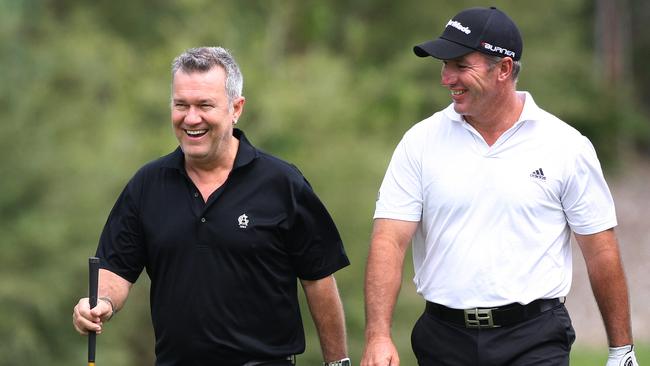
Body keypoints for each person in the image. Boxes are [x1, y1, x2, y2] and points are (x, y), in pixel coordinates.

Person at [361, 7, 638, 366]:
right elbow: (389, 240)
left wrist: (621, 350)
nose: (447, 78)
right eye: (444, 66)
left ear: (504, 69)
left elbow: (600, 251)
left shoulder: (566, 146)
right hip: (443, 338)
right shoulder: (420, 143)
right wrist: (378, 336)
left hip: (534, 339)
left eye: (460, 65)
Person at [72, 46, 352, 366]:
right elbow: (116, 268)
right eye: (181, 105)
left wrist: (337, 363)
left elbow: (318, 280)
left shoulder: (282, 183)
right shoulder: (147, 185)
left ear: (236, 108)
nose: (191, 118)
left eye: (205, 105)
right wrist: (100, 302)